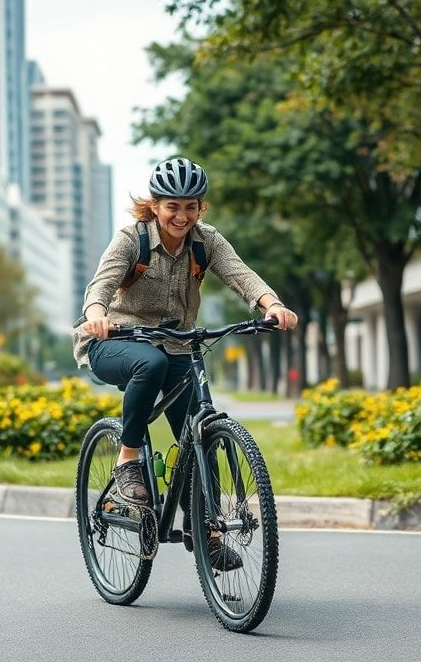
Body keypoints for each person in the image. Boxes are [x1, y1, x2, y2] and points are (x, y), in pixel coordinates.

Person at [74, 157, 298, 571]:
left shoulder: (205, 241)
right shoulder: (131, 239)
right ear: (155, 205)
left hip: (178, 343)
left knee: (201, 434)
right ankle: (128, 459)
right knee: (150, 364)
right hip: (115, 340)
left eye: (190, 206)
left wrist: (273, 305)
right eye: (172, 206)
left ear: (200, 208)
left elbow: (241, 275)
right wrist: (95, 314)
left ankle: (206, 534)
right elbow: (100, 285)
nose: (181, 215)